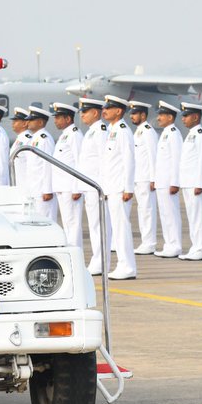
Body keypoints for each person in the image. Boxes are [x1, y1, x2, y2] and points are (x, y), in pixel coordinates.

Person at [101, 95, 137, 280]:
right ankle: (122, 264)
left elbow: (129, 159)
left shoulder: (123, 131)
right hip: (112, 187)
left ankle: (128, 267)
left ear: (119, 111)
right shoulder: (112, 130)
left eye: (109, 108)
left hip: (120, 188)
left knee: (122, 229)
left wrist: (128, 188)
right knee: (117, 229)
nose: (104, 110)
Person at [77, 98, 110, 274]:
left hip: (97, 186)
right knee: (94, 226)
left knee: (100, 225)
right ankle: (97, 259)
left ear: (95, 113)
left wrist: (103, 187)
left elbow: (104, 160)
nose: (82, 115)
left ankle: (101, 261)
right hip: (89, 186)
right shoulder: (91, 131)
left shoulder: (100, 131)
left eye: (85, 111)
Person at [178, 102, 202, 261]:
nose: (183, 119)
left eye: (186, 116)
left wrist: (200, 183)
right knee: (192, 217)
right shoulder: (191, 134)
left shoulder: (200, 135)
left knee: (198, 217)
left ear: (195, 117)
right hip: (188, 182)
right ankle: (195, 246)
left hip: (195, 184)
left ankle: (201, 248)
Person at [152, 101, 184, 258]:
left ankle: (175, 245)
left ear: (170, 117)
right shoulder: (165, 133)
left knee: (171, 214)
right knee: (165, 215)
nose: (158, 118)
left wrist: (175, 182)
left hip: (169, 182)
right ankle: (169, 244)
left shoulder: (173, 134)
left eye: (162, 115)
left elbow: (177, 159)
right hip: (162, 182)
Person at [50, 102, 83, 246]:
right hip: (62, 186)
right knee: (67, 223)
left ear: (68, 119)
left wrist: (77, 188)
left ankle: (75, 250)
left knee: (73, 223)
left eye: (58, 117)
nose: (55, 121)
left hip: (70, 187)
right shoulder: (65, 135)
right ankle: (71, 249)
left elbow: (79, 161)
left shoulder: (75, 135)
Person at [130, 100, 160, 255]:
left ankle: (150, 243)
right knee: (142, 210)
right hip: (138, 177)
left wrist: (154, 179)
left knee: (147, 210)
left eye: (135, 113)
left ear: (143, 115)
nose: (132, 116)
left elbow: (153, 156)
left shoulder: (148, 131)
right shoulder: (138, 131)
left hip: (146, 177)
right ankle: (145, 241)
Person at [25, 105, 58, 221]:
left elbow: (48, 164)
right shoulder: (34, 138)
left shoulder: (45, 138)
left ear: (40, 122)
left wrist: (48, 190)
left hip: (42, 191)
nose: (28, 122)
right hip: (34, 190)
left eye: (31, 120)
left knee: (45, 223)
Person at [9, 107, 33, 191]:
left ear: (25, 123)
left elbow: (31, 163)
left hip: (25, 185)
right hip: (18, 183)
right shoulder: (20, 139)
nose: (13, 123)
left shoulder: (28, 139)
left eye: (16, 121)